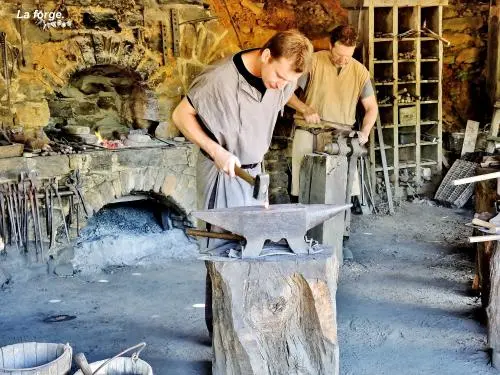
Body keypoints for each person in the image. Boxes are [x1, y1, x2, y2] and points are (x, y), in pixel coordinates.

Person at [172, 30, 314, 335]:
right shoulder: (220, 80)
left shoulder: (283, 81)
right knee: (222, 252)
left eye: (287, 81)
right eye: (278, 75)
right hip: (221, 172)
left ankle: (247, 323)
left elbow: (279, 98)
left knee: (253, 247)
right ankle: (220, 334)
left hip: (254, 173)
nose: (280, 85)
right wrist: (216, 150)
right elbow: (181, 114)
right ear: (265, 55)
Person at [287, 24, 378, 201]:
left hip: (342, 137)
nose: (343, 61)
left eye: (348, 56)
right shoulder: (312, 62)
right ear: (330, 45)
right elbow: (284, 94)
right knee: (303, 188)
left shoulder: (360, 72)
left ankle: (338, 226)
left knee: (341, 191)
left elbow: (371, 108)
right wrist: (304, 108)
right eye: (339, 55)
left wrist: (365, 132)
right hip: (309, 133)